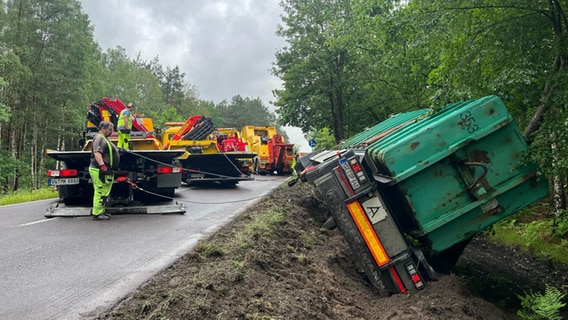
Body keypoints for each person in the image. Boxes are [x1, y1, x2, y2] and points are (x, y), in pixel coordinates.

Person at [89, 121, 120, 220]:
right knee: (100, 191)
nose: (112, 132)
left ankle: (101, 210)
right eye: (110, 129)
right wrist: (103, 166)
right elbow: (97, 153)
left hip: (105, 169)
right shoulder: (99, 138)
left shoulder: (105, 139)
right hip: (99, 169)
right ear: (103, 129)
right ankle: (97, 213)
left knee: (104, 191)